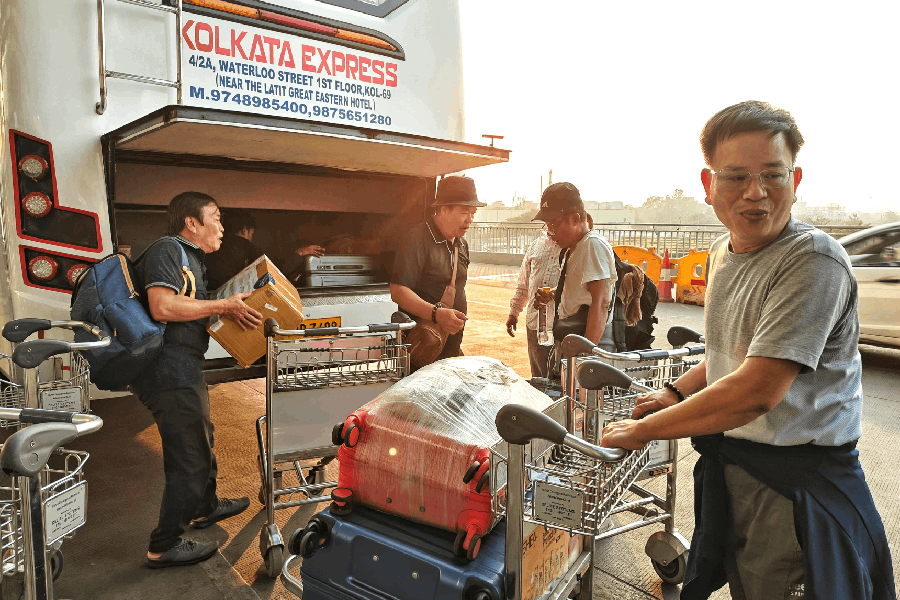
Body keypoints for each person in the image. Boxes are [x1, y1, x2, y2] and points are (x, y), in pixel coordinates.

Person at [600, 101, 895, 600]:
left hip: (795, 486)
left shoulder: (812, 261)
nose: (755, 193)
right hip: (739, 467)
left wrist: (645, 429)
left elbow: (756, 389)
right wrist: (674, 392)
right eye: (736, 177)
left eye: (772, 175)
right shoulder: (723, 250)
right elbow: (727, 356)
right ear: (708, 183)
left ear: (795, 180)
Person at [131, 191, 264, 569]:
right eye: (216, 217)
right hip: (166, 370)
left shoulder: (193, 259)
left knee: (201, 436)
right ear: (192, 223)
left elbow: (190, 308)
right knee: (189, 455)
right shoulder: (168, 249)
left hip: (184, 365)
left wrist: (231, 306)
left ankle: (205, 507)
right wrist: (223, 305)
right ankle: (164, 545)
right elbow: (162, 305)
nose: (222, 226)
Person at [390, 176, 484, 362]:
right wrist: (437, 314)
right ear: (443, 209)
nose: (470, 220)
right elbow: (398, 291)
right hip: (422, 348)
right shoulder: (417, 238)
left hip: (450, 346)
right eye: (464, 212)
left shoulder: (461, 244)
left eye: (473, 213)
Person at [532, 183, 617, 374]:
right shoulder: (573, 249)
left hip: (589, 345)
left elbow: (601, 302)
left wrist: (585, 357)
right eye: (547, 227)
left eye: (554, 226)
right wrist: (553, 294)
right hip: (572, 340)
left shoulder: (593, 245)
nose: (551, 234)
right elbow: (581, 292)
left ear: (575, 218)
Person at [506, 230, 561, 378]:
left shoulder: (572, 247)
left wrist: (553, 294)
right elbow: (524, 284)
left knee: (561, 380)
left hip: (561, 327)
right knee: (539, 378)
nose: (551, 225)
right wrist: (514, 312)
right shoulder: (536, 246)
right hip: (536, 324)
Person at [205, 209, 261, 290]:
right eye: (252, 234)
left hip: (208, 287)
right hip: (227, 289)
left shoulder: (217, 242)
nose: (251, 239)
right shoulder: (245, 244)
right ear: (244, 230)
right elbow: (261, 263)